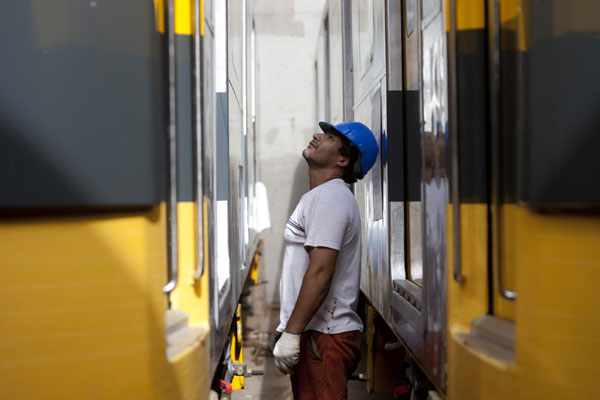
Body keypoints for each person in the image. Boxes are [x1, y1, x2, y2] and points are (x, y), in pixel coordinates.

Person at [273, 121, 378, 400]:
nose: (317, 136)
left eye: (329, 137)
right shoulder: (322, 197)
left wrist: (292, 333)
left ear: (343, 159)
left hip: (324, 338)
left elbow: (321, 270)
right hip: (319, 335)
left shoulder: (330, 197)